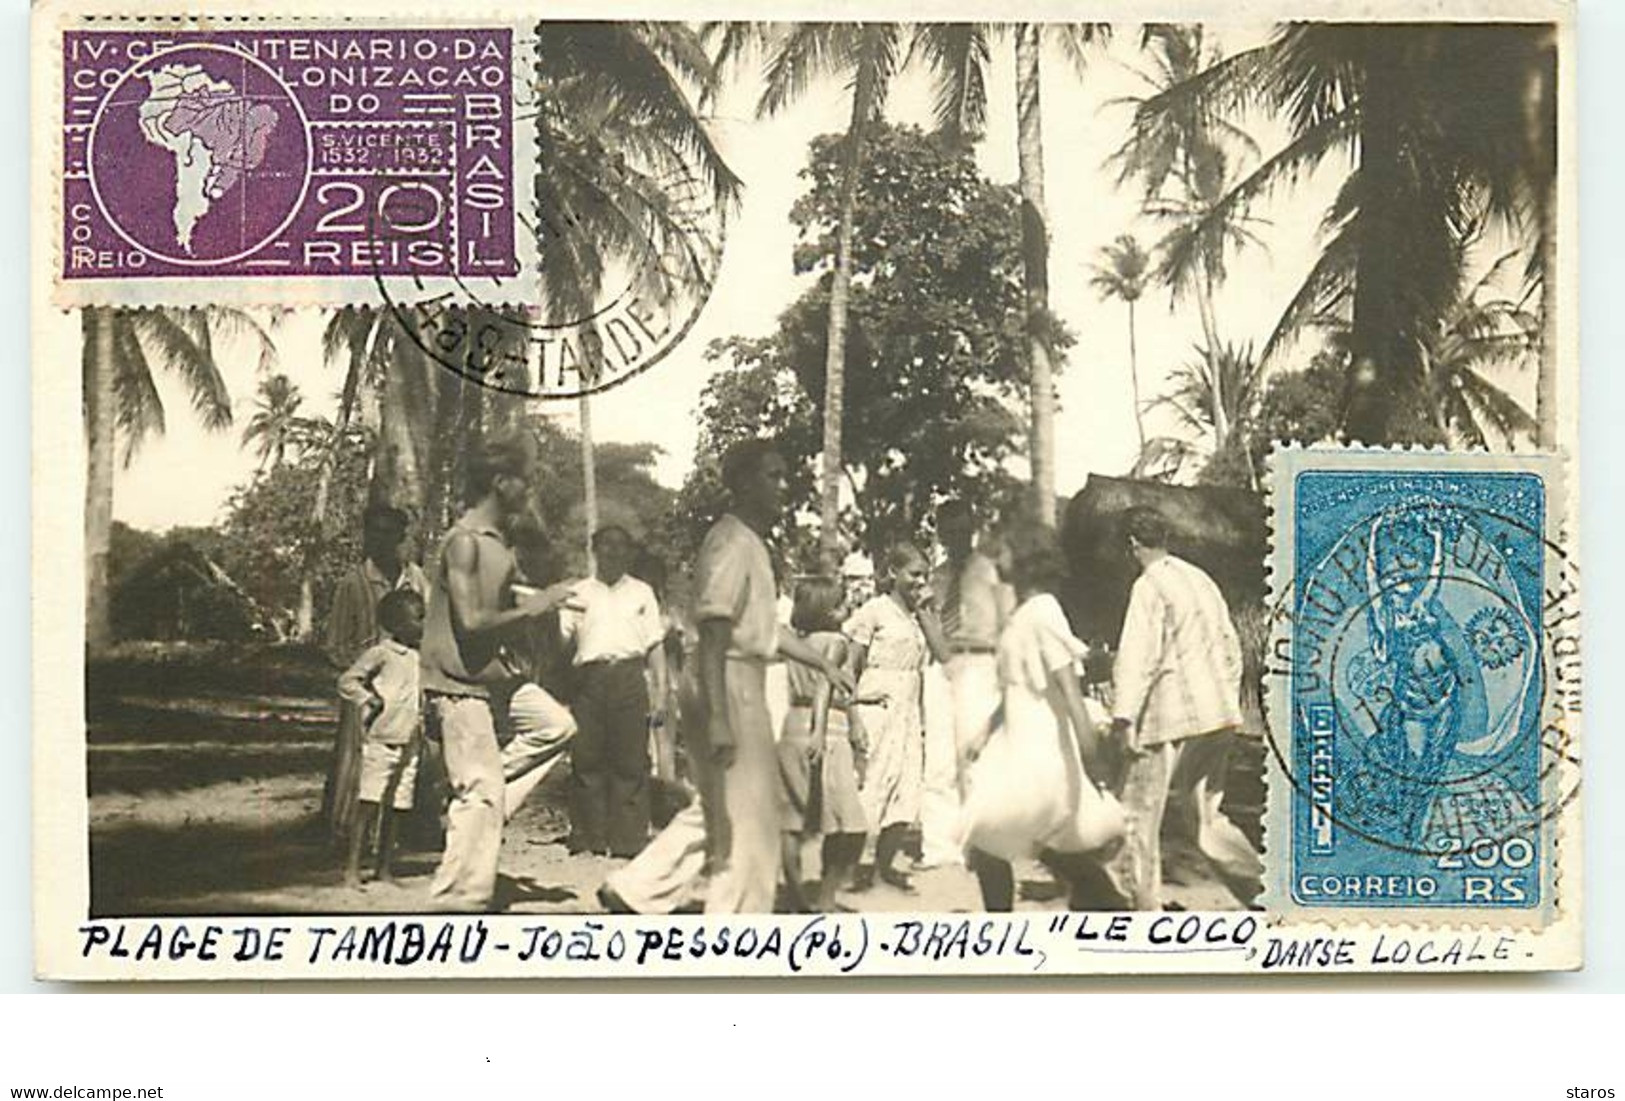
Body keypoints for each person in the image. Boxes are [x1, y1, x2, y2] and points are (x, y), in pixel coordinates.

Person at [599, 439, 851, 915]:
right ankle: (736, 927)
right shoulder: (732, 541)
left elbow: (763, 627)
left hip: (736, 677)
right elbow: (715, 631)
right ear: (741, 483)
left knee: (721, 807)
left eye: (783, 476)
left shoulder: (752, 543)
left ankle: (637, 887)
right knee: (751, 823)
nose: (781, 486)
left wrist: (824, 664)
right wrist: (719, 716)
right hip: (727, 681)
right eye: (770, 476)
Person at [418, 432, 577, 912]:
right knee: (481, 791)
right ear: (500, 482)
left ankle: (475, 797)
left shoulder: (498, 545)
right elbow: (470, 622)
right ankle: (455, 902)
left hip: (491, 679)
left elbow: (494, 607)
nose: (529, 490)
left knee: (557, 726)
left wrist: (530, 599)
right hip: (458, 684)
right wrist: (539, 606)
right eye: (523, 481)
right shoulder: (464, 542)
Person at [1105, 506, 1264, 910]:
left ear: (1132, 544)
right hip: (1217, 713)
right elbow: (1231, 647)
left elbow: (1137, 656)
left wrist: (1123, 718)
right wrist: (1227, 698)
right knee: (1207, 818)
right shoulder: (1200, 579)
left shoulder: (1148, 586)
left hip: (1168, 716)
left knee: (1138, 816)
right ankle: (1263, 895)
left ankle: (1144, 908)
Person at [957, 533, 1124, 911]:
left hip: (1043, 752)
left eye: (1005, 550)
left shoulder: (1044, 610)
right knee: (1012, 843)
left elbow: (1068, 687)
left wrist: (1090, 752)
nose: (997, 560)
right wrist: (984, 734)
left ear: (1027, 560)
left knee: (999, 839)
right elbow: (1017, 688)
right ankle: (1105, 906)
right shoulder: (1022, 615)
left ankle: (1105, 908)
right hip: (1019, 746)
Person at [320, 503, 428, 841]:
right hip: (369, 692)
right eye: (374, 533)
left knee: (407, 760)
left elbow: (428, 626)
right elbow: (336, 645)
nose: (381, 540)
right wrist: (370, 677)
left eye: (389, 533)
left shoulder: (416, 578)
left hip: (406, 684)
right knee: (357, 764)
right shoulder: (354, 583)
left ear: (400, 537)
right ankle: (348, 835)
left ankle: (394, 838)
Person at [559, 525, 669, 857]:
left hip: (629, 678)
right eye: (606, 546)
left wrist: (661, 693)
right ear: (594, 550)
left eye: (621, 547)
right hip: (588, 680)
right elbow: (561, 646)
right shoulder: (577, 593)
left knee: (630, 760)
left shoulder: (642, 592)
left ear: (629, 552)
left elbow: (655, 646)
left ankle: (628, 841)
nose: (613, 552)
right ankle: (589, 837)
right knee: (587, 757)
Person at [846, 543, 948, 892]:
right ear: (892, 572)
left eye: (925, 574)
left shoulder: (919, 616)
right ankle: (852, 867)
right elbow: (848, 667)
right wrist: (853, 717)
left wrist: (926, 612)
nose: (921, 580)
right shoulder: (874, 611)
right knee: (871, 784)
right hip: (877, 706)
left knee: (906, 790)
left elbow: (943, 653)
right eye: (914, 574)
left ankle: (883, 866)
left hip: (908, 712)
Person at [922, 500, 1015, 868]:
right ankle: (938, 847)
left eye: (962, 529)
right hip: (941, 662)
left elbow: (1007, 621)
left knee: (976, 756)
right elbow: (928, 617)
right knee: (939, 760)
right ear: (941, 533)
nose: (955, 537)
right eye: (949, 531)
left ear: (972, 528)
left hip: (979, 662)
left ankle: (980, 846)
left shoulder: (990, 572)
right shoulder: (937, 575)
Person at [777, 576, 869, 912]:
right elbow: (826, 689)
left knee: (792, 817)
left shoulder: (794, 641)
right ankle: (827, 898)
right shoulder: (837, 641)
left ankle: (795, 894)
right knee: (846, 823)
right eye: (842, 604)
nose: (848, 608)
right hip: (827, 727)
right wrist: (822, 730)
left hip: (792, 724)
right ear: (828, 611)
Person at [336, 589, 425, 887]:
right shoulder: (381, 653)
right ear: (398, 624)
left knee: (399, 805)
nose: (424, 625)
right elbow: (347, 680)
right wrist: (369, 700)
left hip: (411, 740)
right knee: (370, 803)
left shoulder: (420, 656)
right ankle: (351, 869)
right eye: (419, 619)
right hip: (382, 739)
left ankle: (384, 868)